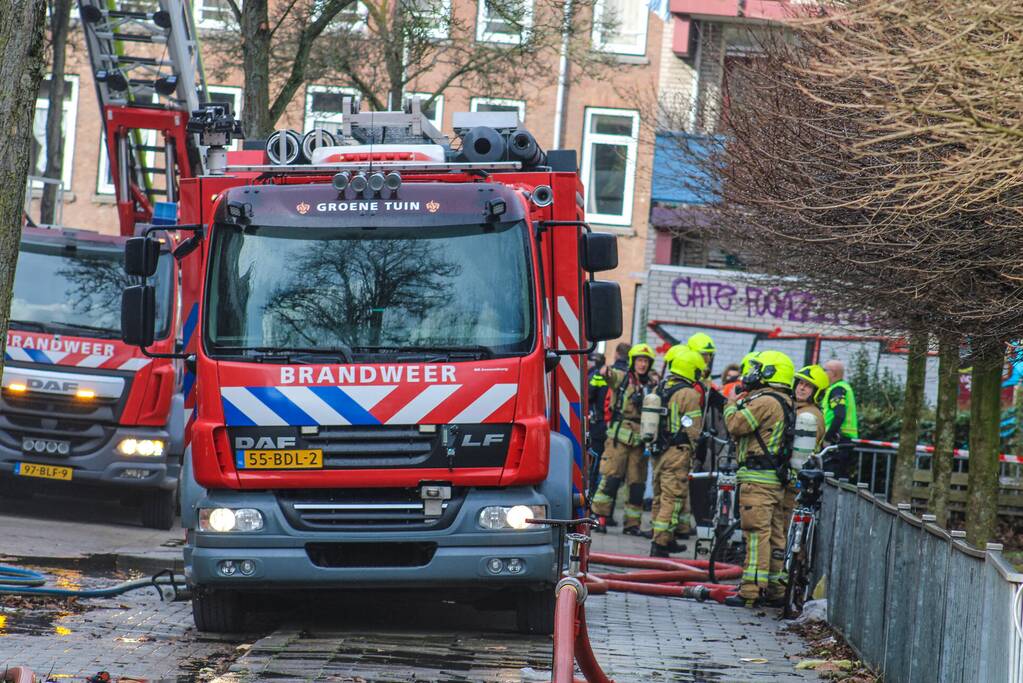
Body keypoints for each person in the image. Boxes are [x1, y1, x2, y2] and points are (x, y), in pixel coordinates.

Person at [722, 350, 797, 608]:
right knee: (775, 535)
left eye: (757, 368)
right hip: (773, 481)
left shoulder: (765, 402)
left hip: (758, 480)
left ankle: (750, 591)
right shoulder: (785, 400)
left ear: (769, 372)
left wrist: (731, 403)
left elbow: (736, 425)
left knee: (756, 533)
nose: (751, 373)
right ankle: (776, 589)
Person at [591, 343, 658, 534]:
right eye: (639, 360)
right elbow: (608, 375)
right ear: (633, 361)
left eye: (645, 361)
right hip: (618, 439)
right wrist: (604, 369)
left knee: (637, 485)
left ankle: (632, 525)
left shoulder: (651, 386)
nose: (642, 365)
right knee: (611, 479)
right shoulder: (622, 378)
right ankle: (600, 518)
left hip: (641, 440)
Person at [646, 348, 706, 557]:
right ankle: (660, 543)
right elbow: (693, 428)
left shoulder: (659, 387)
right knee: (672, 497)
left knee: (659, 495)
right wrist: (696, 448)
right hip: (677, 452)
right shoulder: (689, 394)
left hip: (658, 451)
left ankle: (661, 536)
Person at [822, 359, 859, 479]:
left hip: (837, 441)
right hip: (843, 441)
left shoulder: (837, 390)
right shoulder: (844, 387)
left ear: (833, 373)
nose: (822, 373)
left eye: (824, 370)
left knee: (832, 478)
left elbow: (839, 415)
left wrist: (828, 437)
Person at [587, 351, 609, 501]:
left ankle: (593, 497)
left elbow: (588, 395)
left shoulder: (594, 376)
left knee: (595, 465)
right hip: (606, 426)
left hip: (598, 426)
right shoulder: (607, 376)